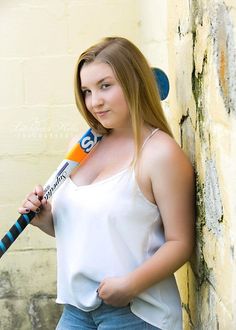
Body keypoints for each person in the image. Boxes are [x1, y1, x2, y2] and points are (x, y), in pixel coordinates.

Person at [19, 37, 195, 330]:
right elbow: (89, 229)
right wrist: (47, 219)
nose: (94, 101)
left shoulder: (160, 153)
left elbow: (181, 243)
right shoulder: (82, 145)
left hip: (136, 312)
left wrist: (130, 284)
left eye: (105, 86)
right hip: (75, 311)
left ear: (134, 82)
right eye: (87, 91)